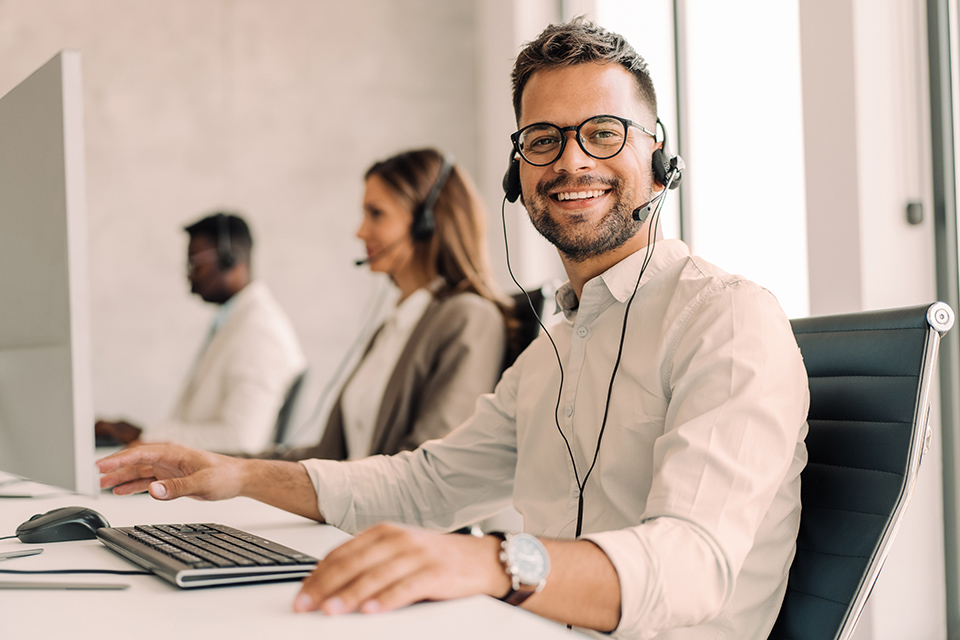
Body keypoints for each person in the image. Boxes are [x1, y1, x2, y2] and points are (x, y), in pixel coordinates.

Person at [98, 19, 809, 640]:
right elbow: (424, 484)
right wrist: (238, 475)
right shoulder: (556, 348)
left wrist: (492, 561)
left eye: (603, 133)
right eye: (543, 140)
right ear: (517, 175)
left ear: (658, 163)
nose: (571, 161)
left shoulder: (727, 320)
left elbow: (691, 567)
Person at [265, 148, 510, 462]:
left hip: (385, 511)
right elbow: (327, 457)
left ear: (427, 221)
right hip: (351, 508)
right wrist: (219, 463)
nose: (360, 231)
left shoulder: (469, 318)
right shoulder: (393, 327)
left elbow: (432, 468)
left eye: (376, 213)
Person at [95, 213, 307, 455]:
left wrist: (146, 436)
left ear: (230, 260)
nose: (189, 276)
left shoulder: (260, 333)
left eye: (195, 264)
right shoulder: (234, 322)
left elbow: (241, 440)